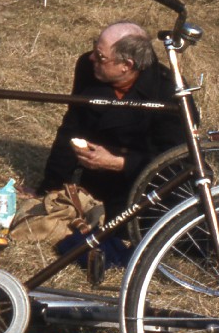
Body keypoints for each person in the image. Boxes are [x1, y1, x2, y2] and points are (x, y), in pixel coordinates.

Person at [36, 21, 188, 218]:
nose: (92, 58)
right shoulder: (89, 67)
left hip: (146, 182)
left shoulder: (169, 93)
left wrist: (120, 163)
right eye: (94, 48)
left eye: (101, 57)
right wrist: (50, 187)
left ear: (126, 65)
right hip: (99, 179)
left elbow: (175, 161)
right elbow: (73, 127)